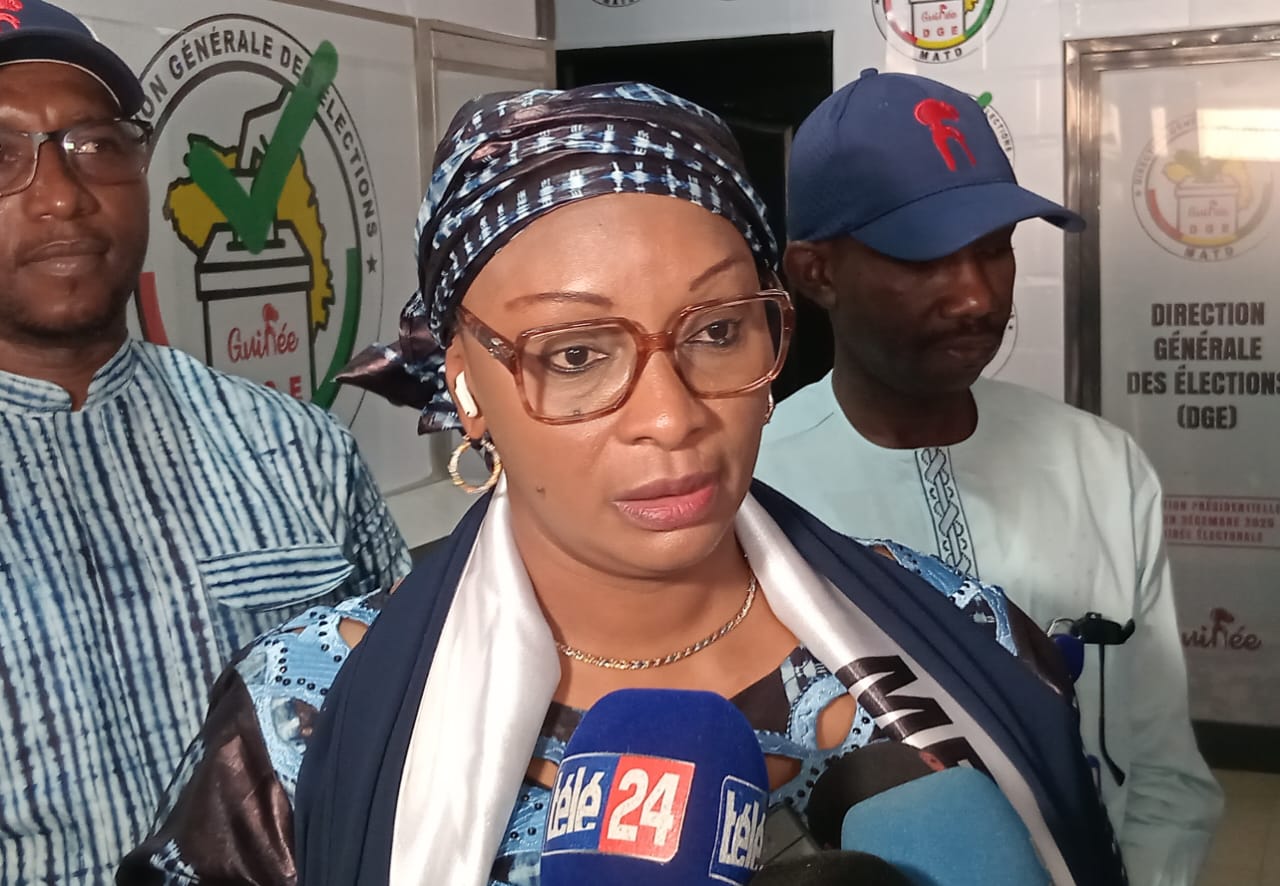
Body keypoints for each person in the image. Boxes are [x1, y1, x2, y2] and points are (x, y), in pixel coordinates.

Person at [120, 83, 1125, 886]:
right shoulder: (304, 715)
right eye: (574, 354)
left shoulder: (967, 633)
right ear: (464, 384)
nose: (671, 416)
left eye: (717, 330)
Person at [755, 68, 1222, 885]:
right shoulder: (752, 496)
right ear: (816, 271)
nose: (976, 296)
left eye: (995, 248)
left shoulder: (1102, 466)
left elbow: (1162, 771)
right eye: (925, 257)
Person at [0, 3, 410, 882]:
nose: (63, 195)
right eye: (0, 155)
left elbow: (409, 736)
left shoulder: (298, 452)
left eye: (96, 144)